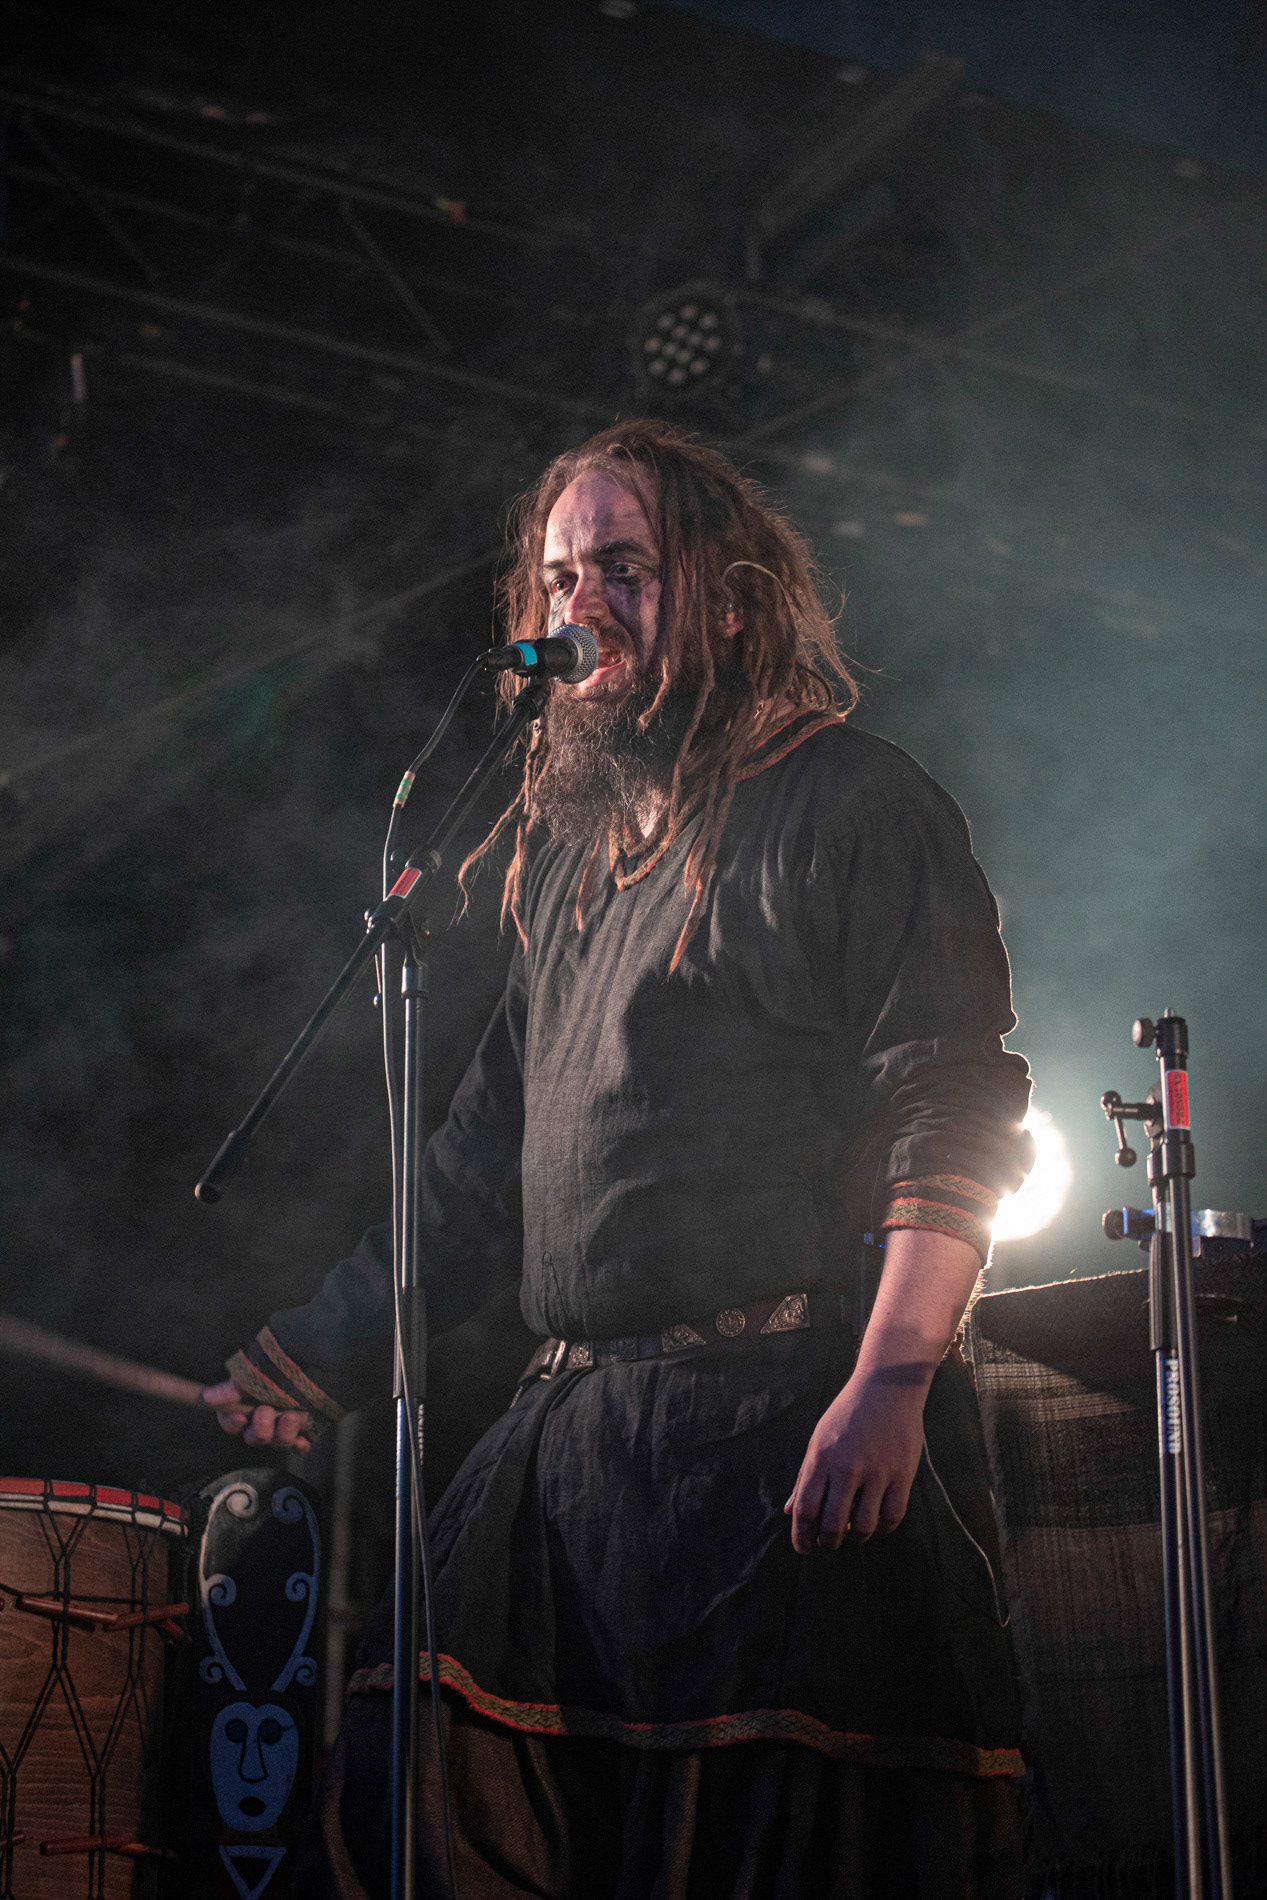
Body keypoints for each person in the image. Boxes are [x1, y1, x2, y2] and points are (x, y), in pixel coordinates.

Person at [205, 419, 1035, 1899]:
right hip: (573, 1449)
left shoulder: (855, 805)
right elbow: (479, 1164)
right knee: (415, 1811)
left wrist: (893, 1380)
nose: (581, 603)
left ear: (727, 595)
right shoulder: (576, 864)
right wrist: (316, 1350)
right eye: (560, 575)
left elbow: (950, 1101)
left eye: (625, 570)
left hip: (776, 1433)